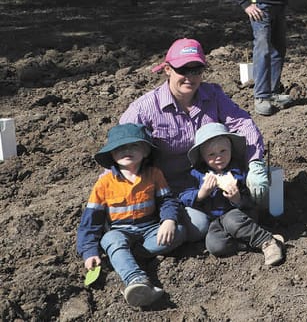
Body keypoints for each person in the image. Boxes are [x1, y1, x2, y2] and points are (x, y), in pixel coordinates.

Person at [119, 38, 269, 242]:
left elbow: (242, 123)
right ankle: (226, 224)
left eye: (196, 70)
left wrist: (255, 164)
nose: (190, 77)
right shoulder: (144, 109)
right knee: (199, 226)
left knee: (264, 191)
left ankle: (235, 222)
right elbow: (121, 149)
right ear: (167, 70)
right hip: (176, 188)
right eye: (183, 70)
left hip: (218, 174)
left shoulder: (213, 95)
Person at [76, 124, 185, 307]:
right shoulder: (104, 183)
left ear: (145, 151)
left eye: (134, 146)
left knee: (179, 232)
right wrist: (89, 252)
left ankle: (125, 255)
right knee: (110, 239)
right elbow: (91, 221)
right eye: (120, 148)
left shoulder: (154, 174)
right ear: (112, 154)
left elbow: (168, 200)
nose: (127, 151)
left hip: (150, 228)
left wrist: (168, 220)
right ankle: (136, 280)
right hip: (120, 231)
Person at [180, 123, 285, 266]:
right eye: (211, 154)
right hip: (216, 220)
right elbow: (183, 195)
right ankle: (256, 240)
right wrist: (201, 193)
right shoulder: (196, 174)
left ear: (231, 150)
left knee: (232, 220)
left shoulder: (238, 170)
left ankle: (267, 243)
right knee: (214, 245)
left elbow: (251, 199)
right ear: (203, 157)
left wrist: (238, 199)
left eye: (223, 151)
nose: (219, 157)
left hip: (241, 214)